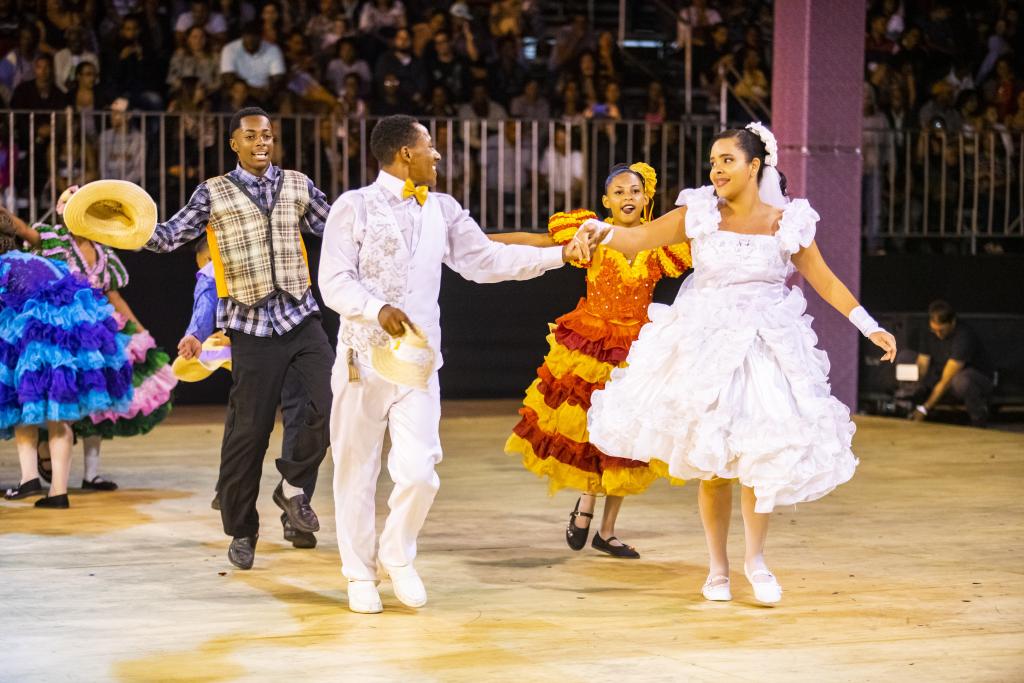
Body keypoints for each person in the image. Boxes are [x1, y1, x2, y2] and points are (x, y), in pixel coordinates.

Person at [578, 123, 897, 604]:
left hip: (765, 344)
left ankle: (756, 560)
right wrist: (598, 231)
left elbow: (826, 282)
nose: (716, 169)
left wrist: (868, 324)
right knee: (712, 464)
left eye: (726, 159)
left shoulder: (786, 221)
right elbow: (638, 239)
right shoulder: (700, 213)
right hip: (706, 341)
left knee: (757, 457)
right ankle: (718, 568)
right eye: (712, 161)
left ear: (754, 166)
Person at [319, 114, 579, 614]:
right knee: (356, 468)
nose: (437, 156)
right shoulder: (353, 207)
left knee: (419, 471)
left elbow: (486, 260)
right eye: (430, 147)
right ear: (404, 155)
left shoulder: (443, 208)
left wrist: (560, 256)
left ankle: (397, 554)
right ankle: (358, 573)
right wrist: (377, 308)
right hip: (362, 357)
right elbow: (333, 281)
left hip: (417, 359)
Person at [141, 107, 336, 570]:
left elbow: (339, 227)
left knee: (330, 405)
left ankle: (291, 490)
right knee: (247, 435)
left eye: (267, 134)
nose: (261, 142)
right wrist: (122, 225)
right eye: (251, 136)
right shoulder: (213, 192)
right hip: (250, 329)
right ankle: (242, 529)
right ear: (234, 144)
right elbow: (168, 236)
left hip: (301, 316)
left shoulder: (298, 184)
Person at [494, 162, 691, 558]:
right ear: (606, 201)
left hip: (638, 346)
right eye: (618, 192)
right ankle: (586, 501)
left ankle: (607, 529)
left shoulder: (661, 244)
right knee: (593, 433)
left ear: (646, 197)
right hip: (592, 345)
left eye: (634, 191)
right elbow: (536, 243)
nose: (627, 198)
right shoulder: (592, 233)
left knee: (628, 439)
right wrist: (477, 240)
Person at [177, 235, 320, 548]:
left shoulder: (218, 258)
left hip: (260, 350)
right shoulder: (278, 242)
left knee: (246, 425)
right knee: (299, 418)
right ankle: (292, 503)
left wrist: (195, 333)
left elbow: (205, 300)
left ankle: (238, 500)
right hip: (293, 339)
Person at [0, 208, 133, 507]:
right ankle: (55, 490)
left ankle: (30, 477)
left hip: (37, 339)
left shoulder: (3, 266)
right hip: (75, 340)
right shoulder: (38, 260)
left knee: (25, 405)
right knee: (57, 414)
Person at [911, 300, 993, 428]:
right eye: (934, 330)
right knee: (905, 360)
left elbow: (946, 380)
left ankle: (978, 418)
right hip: (940, 373)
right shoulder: (928, 331)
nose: (938, 334)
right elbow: (922, 363)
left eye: (941, 330)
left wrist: (924, 408)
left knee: (961, 381)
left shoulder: (964, 336)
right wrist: (915, 385)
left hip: (976, 379)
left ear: (952, 322)